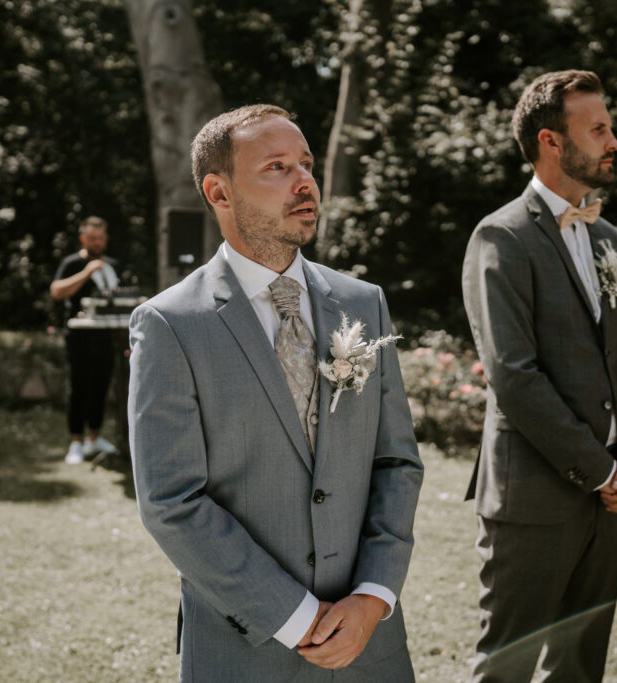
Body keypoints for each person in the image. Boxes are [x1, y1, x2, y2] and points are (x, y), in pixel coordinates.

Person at [127, 105, 423, 682]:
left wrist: (372, 597)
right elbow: (172, 501)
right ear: (219, 191)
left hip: (372, 647)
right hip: (248, 649)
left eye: (307, 164)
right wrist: (295, 617)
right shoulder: (170, 324)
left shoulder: (363, 303)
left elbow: (398, 462)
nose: (305, 181)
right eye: (277, 167)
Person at [461, 70, 617, 682]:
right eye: (598, 129)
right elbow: (513, 376)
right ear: (552, 141)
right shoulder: (501, 236)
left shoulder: (610, 240)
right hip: (534, 500)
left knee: (580, 670)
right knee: (506, 670)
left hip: (610, 500)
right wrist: (598, 469)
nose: (613, 141)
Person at [50, 216, 121, 464]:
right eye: (93, 238)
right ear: (83, 239)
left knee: (101, 386)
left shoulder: (111, 264)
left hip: (106, 336)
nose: (98, 242)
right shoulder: (72, 262)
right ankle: (76, 442)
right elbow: (56, 291)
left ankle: (95, 437)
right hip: (78, 336)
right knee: (78, 386)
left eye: (101, 238)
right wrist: (86, 272)